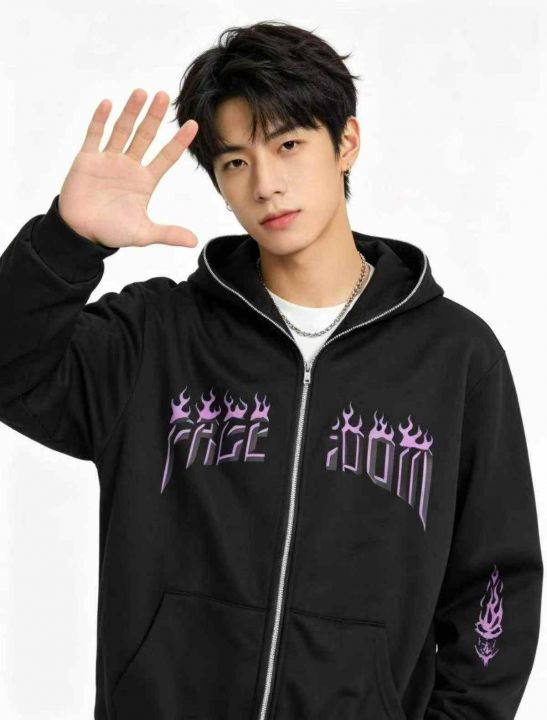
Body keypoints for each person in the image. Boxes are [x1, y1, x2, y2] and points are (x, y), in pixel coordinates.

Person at [0, 19, 542, 720]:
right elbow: (12, 370)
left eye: (288, 145)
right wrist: (66, 242)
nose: (265, 184)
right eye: (235, 162)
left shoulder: (455, 356)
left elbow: (494, 580)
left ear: (345, 143)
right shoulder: (157, 336)